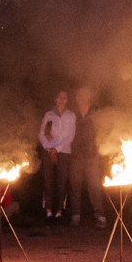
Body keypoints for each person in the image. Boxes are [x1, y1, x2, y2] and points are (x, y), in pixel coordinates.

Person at [37, 90, 77, 225]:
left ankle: (59, 211)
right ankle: (48, 211)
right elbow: (42, 134)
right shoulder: (49, 115)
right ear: (55, 99)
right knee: (48, 181)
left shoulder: (71, 116)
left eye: (64, 98)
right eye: (59, 97)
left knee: (61, 182)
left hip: (64, 152)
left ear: (67, 100)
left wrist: (57, 149)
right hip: (48, 152)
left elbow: (70, 136)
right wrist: (49, 149)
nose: (61, 99)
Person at [73, 86, 107, 227]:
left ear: (89, 97)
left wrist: (99, 148)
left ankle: (99, 216)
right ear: (76, 98)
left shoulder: (95, 113)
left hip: (92, 155)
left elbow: (103, 131)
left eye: (86, 94)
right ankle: (75, 215)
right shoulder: (72, 114)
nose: (82, 97)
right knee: (75, 186)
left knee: (94, 187)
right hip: (75, 155)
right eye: (80, 95)